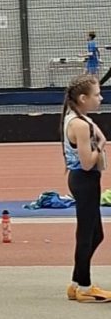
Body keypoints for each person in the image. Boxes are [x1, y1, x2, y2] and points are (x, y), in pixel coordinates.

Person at [61, 74, 111, 302]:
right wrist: (100, 146)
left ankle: (76, 281)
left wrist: (98, 139)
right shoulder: (79, 124)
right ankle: (84, 286)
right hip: (84, 179)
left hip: (87, 180)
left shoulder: (81, 119)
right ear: (83, 98)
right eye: (97, 95)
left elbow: (98, 135)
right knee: (86, 234)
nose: (100, 98)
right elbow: (87, 162)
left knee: (96, 234)